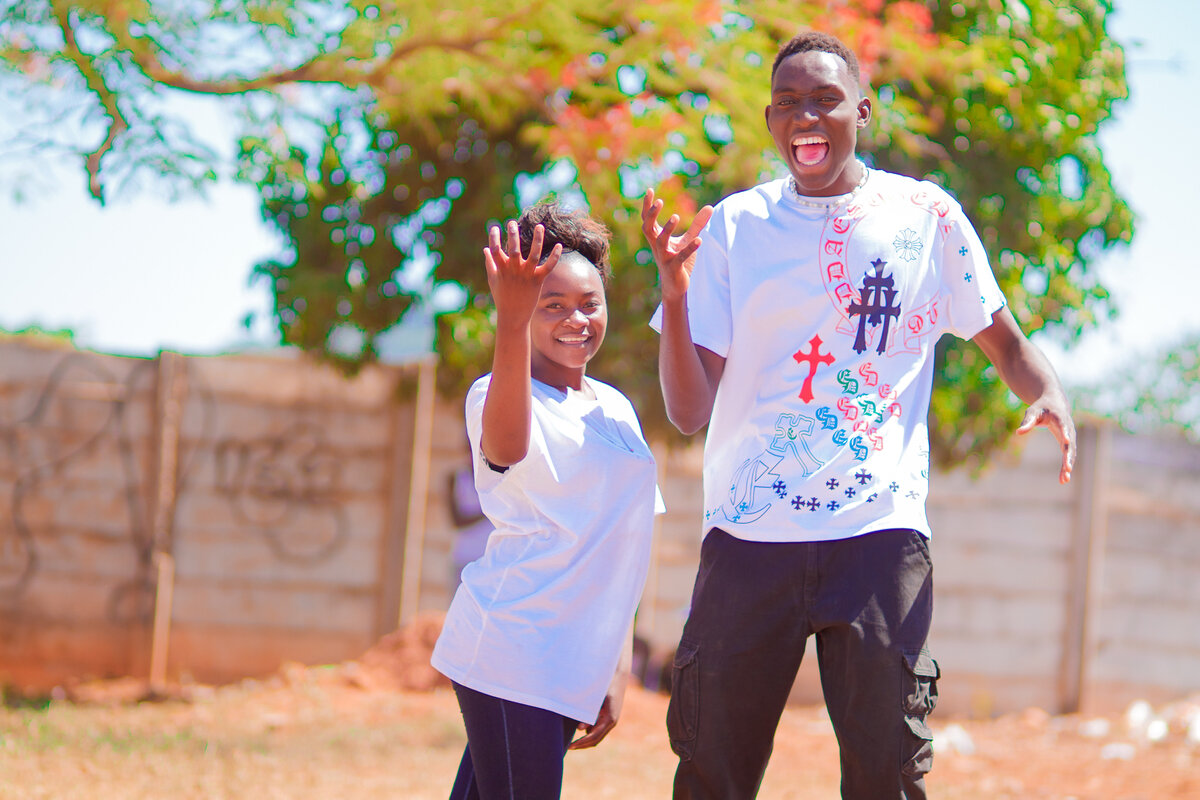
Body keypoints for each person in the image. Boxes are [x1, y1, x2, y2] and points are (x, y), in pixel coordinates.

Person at [640, 31, 1077, 800]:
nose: (805, 116)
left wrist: (1045, 391)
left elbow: (1005, 342)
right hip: (750, 537)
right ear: (770, 121)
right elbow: (686, 411)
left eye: (824, 100)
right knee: (711, 768)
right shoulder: (735, 229)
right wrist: (675, 300)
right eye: (787, 104)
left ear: (863, 111)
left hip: (878, 536)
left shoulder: (924, 216)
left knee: (886, 773)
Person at [431, 201, 662, 799]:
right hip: (515, 650)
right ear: (520, 311)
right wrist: (507, 325)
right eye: (550, 306)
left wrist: (614, 664)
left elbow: (628, 544)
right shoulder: (496, 394)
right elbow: (506, 448)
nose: (575, 320)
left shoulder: (615, 408)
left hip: (570, 661)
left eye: (589, 303)